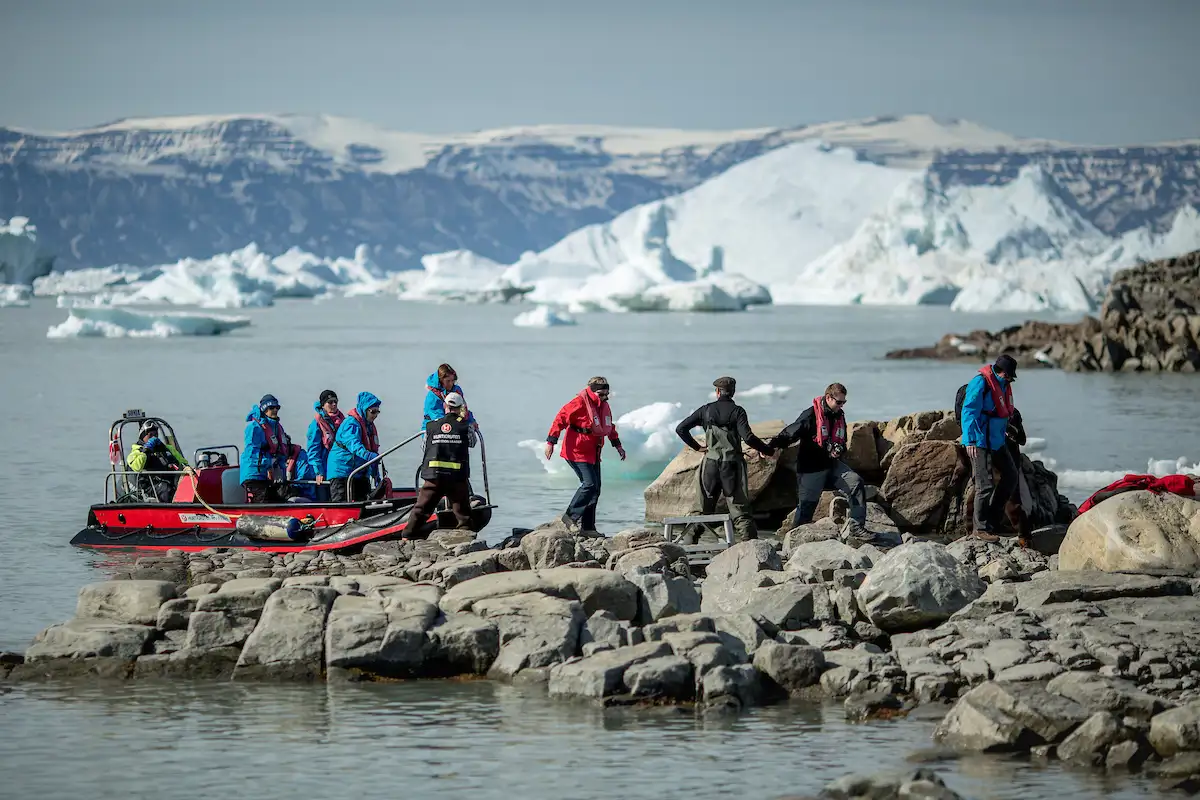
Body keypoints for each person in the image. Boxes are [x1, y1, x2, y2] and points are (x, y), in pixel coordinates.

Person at [767, 382, 872, 543]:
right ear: (829, 398)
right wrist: (771, 447)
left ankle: (856, 527)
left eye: (844, 402)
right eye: (839, 402)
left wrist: (839, 449)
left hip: (832, 465)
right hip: (811, 468)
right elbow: (790, 433)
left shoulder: (839, 416)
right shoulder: (810, 415)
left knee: (855, 482)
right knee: (806, 509)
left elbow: (842, 441)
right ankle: (792, 543)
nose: (841, 406)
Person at [674, 377, 775, 543]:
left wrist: (697, 447)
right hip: (732, 466)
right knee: (739, 509)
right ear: (733, 392)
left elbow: (681, 429)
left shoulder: (705, 411)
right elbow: (748, 438)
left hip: (710, 465)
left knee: (702, 508)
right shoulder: (738, 411)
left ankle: (688, 546)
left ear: (717, 392)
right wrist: (767, 450)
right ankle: (750, 547)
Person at [544, 376, 626, 534]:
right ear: (592, 391)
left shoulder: (603, 406)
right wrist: (551, 442)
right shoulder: (579, 403)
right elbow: (559, 419)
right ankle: (570, 517)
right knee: (589, 485)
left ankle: (588, 527)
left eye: (606, 394)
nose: (604, 398)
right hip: (576, 451)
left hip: (593, 452)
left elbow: (609, 427)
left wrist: (618, 446)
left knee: (596, 489)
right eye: (601, 394)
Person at [960, 354, 1020, 542]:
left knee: (1011, 476)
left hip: (997, 440)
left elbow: (1001, 410)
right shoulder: (980, 383)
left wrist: (1009, 429)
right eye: (1008, 376)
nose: (1010, 379)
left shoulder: (1003, 383)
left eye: (1011, 377)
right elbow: (968, 411)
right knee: (984, 486)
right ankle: (980, 529)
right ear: (999, 371)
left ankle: (993, 521)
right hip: (979, 441)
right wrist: (969, 440)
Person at [404, 392, 477, 538]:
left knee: (422, 508)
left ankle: (407, 535)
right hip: (456, 477)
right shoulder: (465, 426)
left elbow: (424, 447)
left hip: (433, 475)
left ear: (445, 406)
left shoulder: (431, 426)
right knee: (462, 510)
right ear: (460, 408)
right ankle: (466, 534)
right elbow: (472, 443)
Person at [327, 391, 385, 503]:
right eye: (373, 412)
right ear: (364, 409)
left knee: (364, 499)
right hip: (342, 470)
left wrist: (375, 473)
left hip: (359, 471)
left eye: (377, 412)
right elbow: (354, 445)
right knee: (341, 501)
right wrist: (369, 456)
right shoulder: (351, 424)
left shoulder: (369, 426)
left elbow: (372, 448)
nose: (375, 415)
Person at [241, 394, 292, 503]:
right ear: (264, 409)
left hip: (270, 474)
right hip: (254, 473)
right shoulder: (254, 428)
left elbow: (280, 451)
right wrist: (268, 467)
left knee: (280, 500)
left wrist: (280, 470)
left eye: (276, 408)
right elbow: (253, 453)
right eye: (271, 408)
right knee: (262, 500)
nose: (274, 410)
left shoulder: (277, 427)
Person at [128, 420, 192, 502]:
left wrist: (188, 469)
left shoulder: (167, 449)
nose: (153, 437)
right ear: (143, 436)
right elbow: (137, 466)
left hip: (168, 480)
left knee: (186, 480)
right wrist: (147, 449)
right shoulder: (135, 452)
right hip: (148, 486)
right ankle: (172, 509)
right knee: (166, 489)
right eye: (150, 435)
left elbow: (184, 463)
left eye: (155, 435)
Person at [305, 389, 343, 502]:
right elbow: (313, 450)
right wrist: (318, 471)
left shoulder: (342, 422)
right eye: (330, 402)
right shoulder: (316, 424)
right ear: (323, 405)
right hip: (324, 470)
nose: (334, 404)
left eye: (335, 401)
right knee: (325, 498)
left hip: (339, 469)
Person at [423, 364, 476, 428]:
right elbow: (437, 417)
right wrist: (454, 424)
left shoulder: (457, 390)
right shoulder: (432, 396)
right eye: (448, 381)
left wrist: (471, 421)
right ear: (441, 380)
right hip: (435, 428)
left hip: (456, 425)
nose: (451, 384)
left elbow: (463, 410)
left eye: (453, 380)